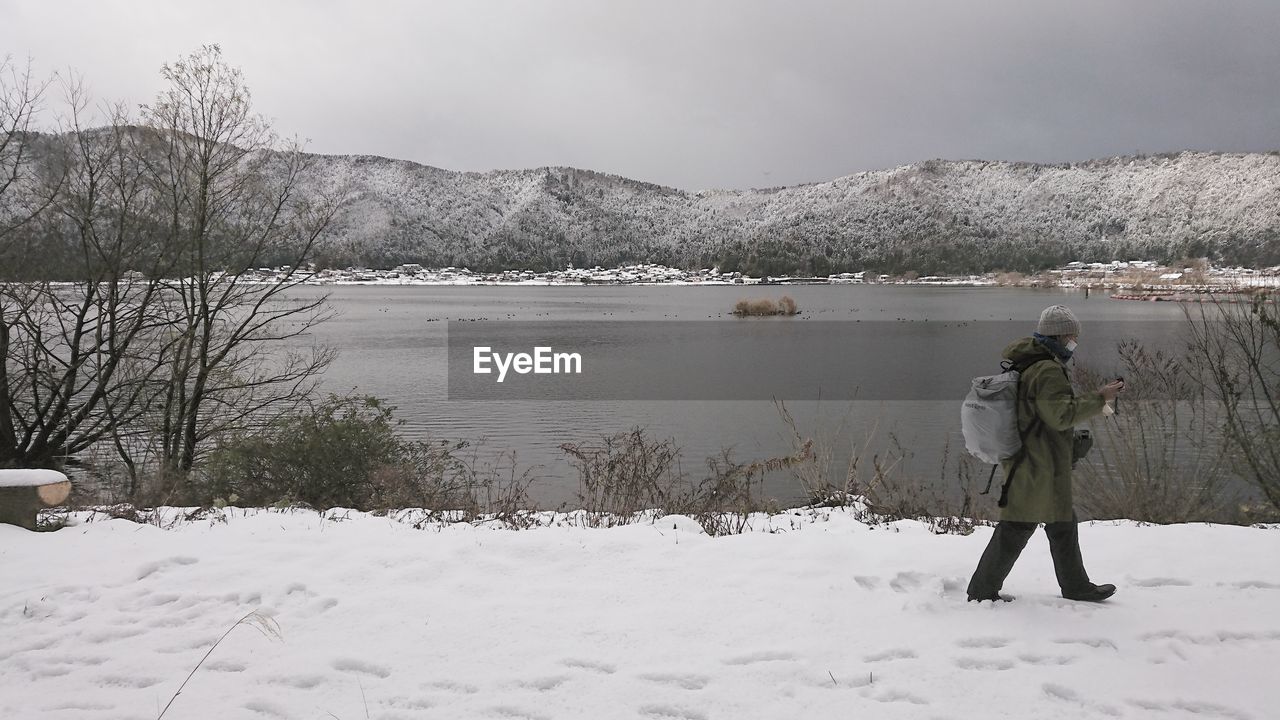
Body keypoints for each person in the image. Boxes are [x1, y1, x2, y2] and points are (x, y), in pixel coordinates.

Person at [966, 305, 1125, 603]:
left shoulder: (1029, 362)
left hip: (1033, 458)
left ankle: (1076, 586)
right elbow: (1060, 416)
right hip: (1037, 463)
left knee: (1062, 522)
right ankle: (981, 591)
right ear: (1062, 335)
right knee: (1017, 525)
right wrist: (1099, 397)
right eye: (1073, 336)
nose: (1075, 341)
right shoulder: (1048, 369)